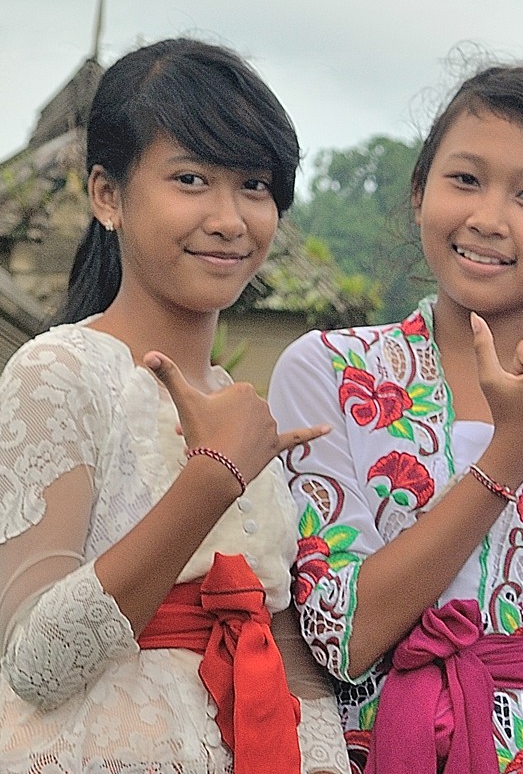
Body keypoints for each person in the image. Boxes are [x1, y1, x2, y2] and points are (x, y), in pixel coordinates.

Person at [268, 65, 523, 774]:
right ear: (419, 191)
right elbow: (342, 634)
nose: (487, 217)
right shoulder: (327, 371)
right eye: (465, 180)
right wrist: (515, 448)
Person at [0, 38, 350, 774]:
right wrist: (211, 475)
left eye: (254, 186)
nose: (229, 218)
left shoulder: (242, 408)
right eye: (191, 179)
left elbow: (286, 652)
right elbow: (33, 660)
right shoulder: (58, 372)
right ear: (107, 195)